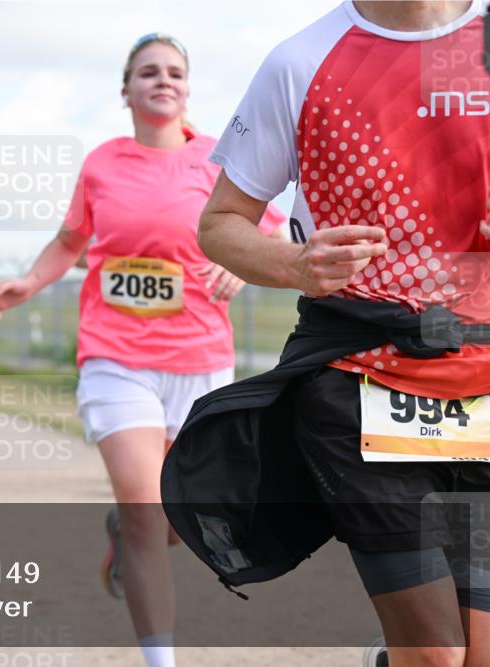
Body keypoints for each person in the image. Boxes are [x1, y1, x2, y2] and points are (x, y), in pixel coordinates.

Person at [189, 2, 490, 666]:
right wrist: (294, 263)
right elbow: (220, 223)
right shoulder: (300, 61)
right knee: (437, 654)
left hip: (482, 383)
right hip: (360, 380)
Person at [0, 33, 286, 667]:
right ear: (126, 91)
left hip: (200, 360)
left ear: (187, 89)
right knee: (145, 511)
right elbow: (70, 241)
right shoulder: (102, 164)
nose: (162, 80)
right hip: (115, 357)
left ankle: (125, 535)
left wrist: (243, 265)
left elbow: (272, 235)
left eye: (174, 72)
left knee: (183, 519)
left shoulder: (219, 161)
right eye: (148, 72)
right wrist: (30, 282)